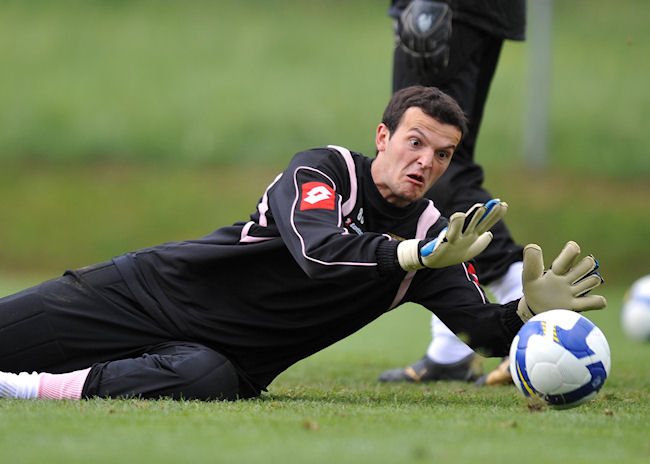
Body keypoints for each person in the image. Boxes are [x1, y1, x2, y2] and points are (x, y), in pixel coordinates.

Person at [0, 86, 605, 402]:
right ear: (383, 136)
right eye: (415, 142)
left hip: (221, 362)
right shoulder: (322, 171)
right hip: (146, 293)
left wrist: (530, 310)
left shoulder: (432, 241)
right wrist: (410, 258)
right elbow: (319, 253)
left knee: (208, 381)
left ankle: (22, 390)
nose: (425, 162)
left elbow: (481, 332)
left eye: (442, 154)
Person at [378, 0, 527, 385]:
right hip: (472, 11)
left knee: (430, 161)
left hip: (447, 8)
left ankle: (529, 306)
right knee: (441, 159)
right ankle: (452, 348)